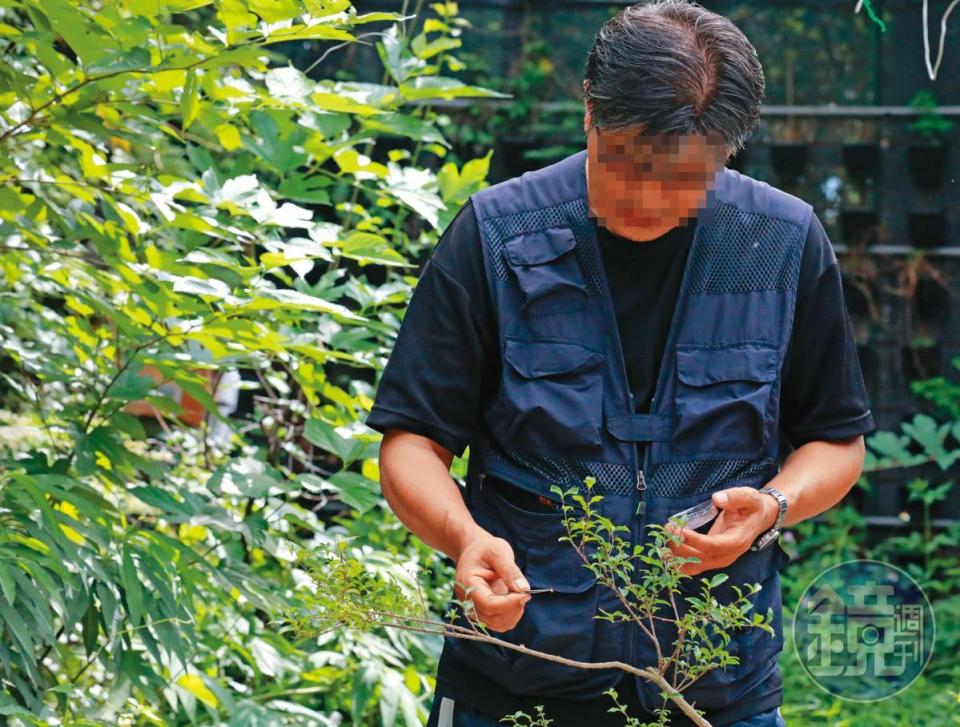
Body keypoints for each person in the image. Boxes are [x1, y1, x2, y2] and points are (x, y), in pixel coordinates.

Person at [366, 2, 875, 725]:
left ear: (726, 152)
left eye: (683, 180)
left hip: (715, 689)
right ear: (589, 114)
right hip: (515, 682)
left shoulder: (781, 242)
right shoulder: (495, 233)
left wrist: (775, 505)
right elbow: (412, 442)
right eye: (626, 166)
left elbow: (836, 440)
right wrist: (466, 537)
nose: (646, 199)